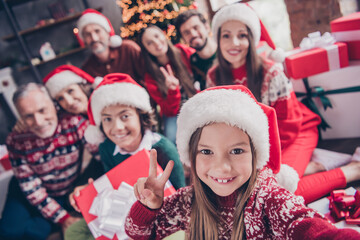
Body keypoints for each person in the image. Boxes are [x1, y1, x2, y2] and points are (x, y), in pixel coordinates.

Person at [124, 84, 360, 240]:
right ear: (191, 156)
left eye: (236, 151)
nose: (222, 167)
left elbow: (311, 229)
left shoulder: (271, 200)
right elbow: (138, 233)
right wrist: (148, 207)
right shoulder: (188, 201)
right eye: (206, 152)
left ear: (255, 154)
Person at [206, 3, 360, 203]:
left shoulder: (271, 72)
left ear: (252, 39)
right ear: (217, 38)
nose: (234, 42)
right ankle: (313, 166)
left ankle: (353, 170)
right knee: (244, 192)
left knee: (277, 192)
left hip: (294, 133)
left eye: (242, 35)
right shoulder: (213, 77)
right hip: (253, 146)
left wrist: (256, 162)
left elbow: (288, 127)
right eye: (226, 35)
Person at [64, 73, 186, 240]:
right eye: (107, 119)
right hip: (124, 212)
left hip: (161, 218)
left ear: (141, 116)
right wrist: (93, 191)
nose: (117, 127)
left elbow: (180, 199)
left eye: (125, 116)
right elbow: (114, 185)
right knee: (73, 232)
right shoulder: (106, 148)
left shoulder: (163, 149)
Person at [0, 83, 98, 240]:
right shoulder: (15, 140)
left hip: (64, 189)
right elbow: (31, 188)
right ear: (20, 117)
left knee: (37, 233)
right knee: (8, 232)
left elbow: (101, 153)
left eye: (42, 110)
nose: (38, 121)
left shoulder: (73, 122)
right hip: (26, 190)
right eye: (28, 116)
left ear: (53, 104)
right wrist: (63, 218)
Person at [138, 25, 197, 143]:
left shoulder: (182, 52)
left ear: (163, 35)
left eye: (157, 36)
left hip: (196, 101)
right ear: (146, 49)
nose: (156, 43)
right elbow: (168, 111)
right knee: (171, 139)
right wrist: (172, 90)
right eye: (149, 43)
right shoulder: (150, 76)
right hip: (175, 112)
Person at [77, 9, 145, 84]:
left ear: (107, 32)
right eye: (87, 34)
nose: (94, 38)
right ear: (84, 40)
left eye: (97, 31)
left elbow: (149, 77)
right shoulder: (87, 69)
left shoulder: (129, 49)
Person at [174, 9, 217, 90]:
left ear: (207, 27)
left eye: (196, 27)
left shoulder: (225, 52)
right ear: (183, 39)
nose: (193, 34)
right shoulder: (192, 62)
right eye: (186, 33)